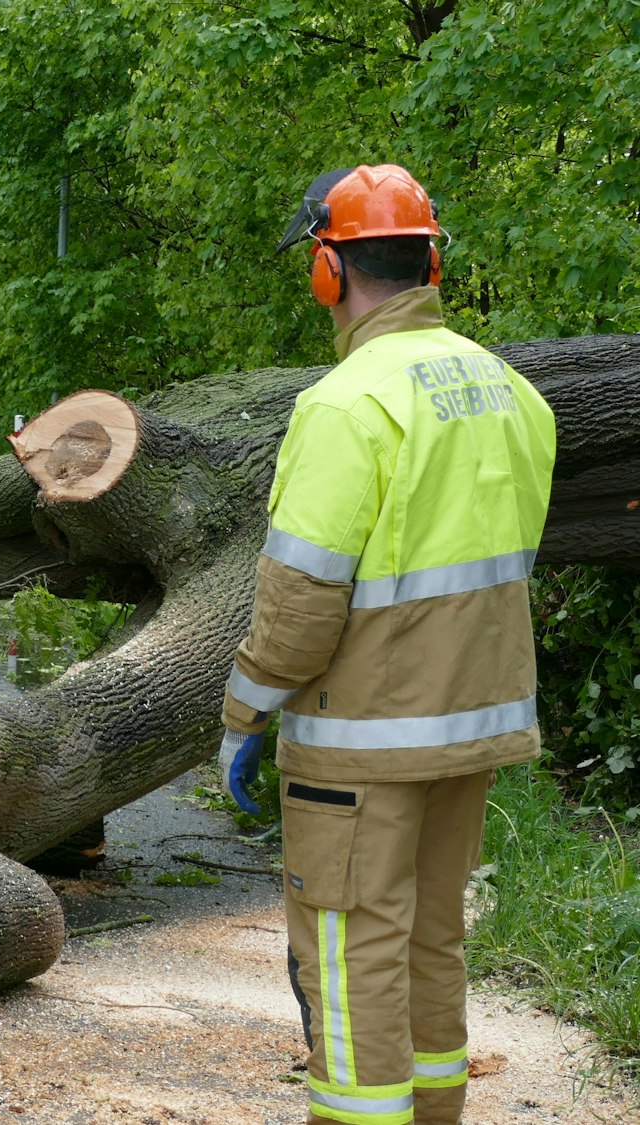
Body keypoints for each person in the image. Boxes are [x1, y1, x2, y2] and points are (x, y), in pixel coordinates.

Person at [216, 165, 554, 1125]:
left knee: (351, 939)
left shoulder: (344, 405)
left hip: (362, 739)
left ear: (329, 270)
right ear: (429, 258)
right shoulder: (509, 390)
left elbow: (299, 602)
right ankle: (436, 1112)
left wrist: (246, 713)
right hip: (473, 724)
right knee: (431, 933)